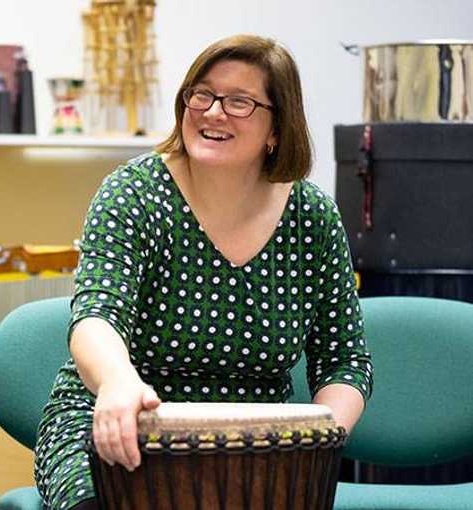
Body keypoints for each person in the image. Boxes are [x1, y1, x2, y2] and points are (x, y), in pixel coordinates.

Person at [34, 34, 373, 510]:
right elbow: (96, 316)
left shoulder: (312, 217)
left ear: (278, 128)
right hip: (122, 428)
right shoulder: (135, 193)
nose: (213, 112)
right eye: (203, 94)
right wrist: (117, 382)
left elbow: (344, 361)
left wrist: (315, 438)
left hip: (257, 446)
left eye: (240, 102)